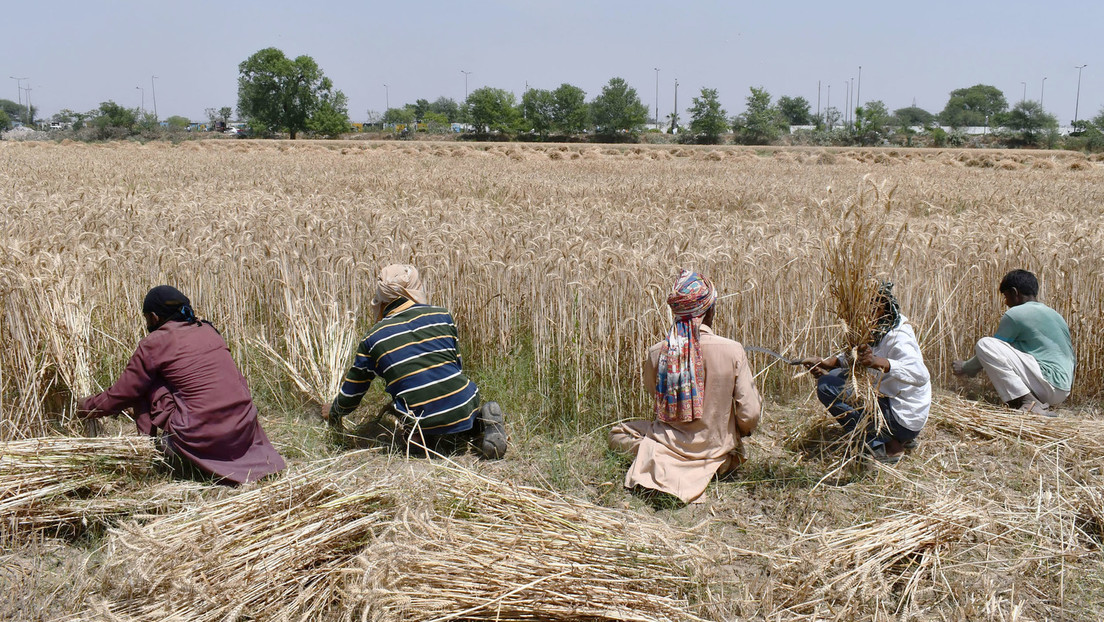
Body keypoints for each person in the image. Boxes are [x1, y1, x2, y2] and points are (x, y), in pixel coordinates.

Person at [78, 286, 286, 484]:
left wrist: (84, 407)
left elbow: (123, 393)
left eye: (147, 318)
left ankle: (151, 452)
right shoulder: (208, 330)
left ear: (154, 317)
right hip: (244, 429)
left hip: (203, 435)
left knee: (145, 385)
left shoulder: (154, 343)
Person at [608, 270, 761, 504]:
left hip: (668, 444)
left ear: (676, 312)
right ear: (710, 310)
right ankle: (709, 467)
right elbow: (750, 413)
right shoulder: (733, 350)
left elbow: (655, 396)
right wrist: (738, 431)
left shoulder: (658, 352)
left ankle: (661, 461)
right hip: (715, 449)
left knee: (619, 434)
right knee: (728, 451)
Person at [324, 264, 507, 459]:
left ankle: (423, 437)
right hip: (463, 400)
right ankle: (479, 423)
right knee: (455, 404)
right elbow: (456, 366)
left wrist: (334, 411)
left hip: (419, 418)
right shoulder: (442, 315)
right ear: (415, 289)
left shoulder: (373, 338)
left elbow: (353, 392)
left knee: (416, 422)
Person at [802, 281, 931, 464]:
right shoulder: (879, 326)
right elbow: (860, 356)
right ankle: (890, 437)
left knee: (827, 387)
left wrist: (877, 362)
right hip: (892, 407)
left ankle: (886, 445)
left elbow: (921, 375)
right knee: (833, 377)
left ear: (881, 307)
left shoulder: (898, 336)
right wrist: (827, 363)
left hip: (903, 418)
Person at [952, 269, 1074, 415]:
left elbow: (991, 350)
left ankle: (1029, 402)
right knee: (1009, 345)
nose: (1005, 302)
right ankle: (1031, 401)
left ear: (1014, 292)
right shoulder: (1055, 315)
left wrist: (965, 367)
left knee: (985, 344)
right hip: (1062, 389)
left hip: (1046, 383)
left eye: (1005, 296)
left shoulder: (1016, 314)